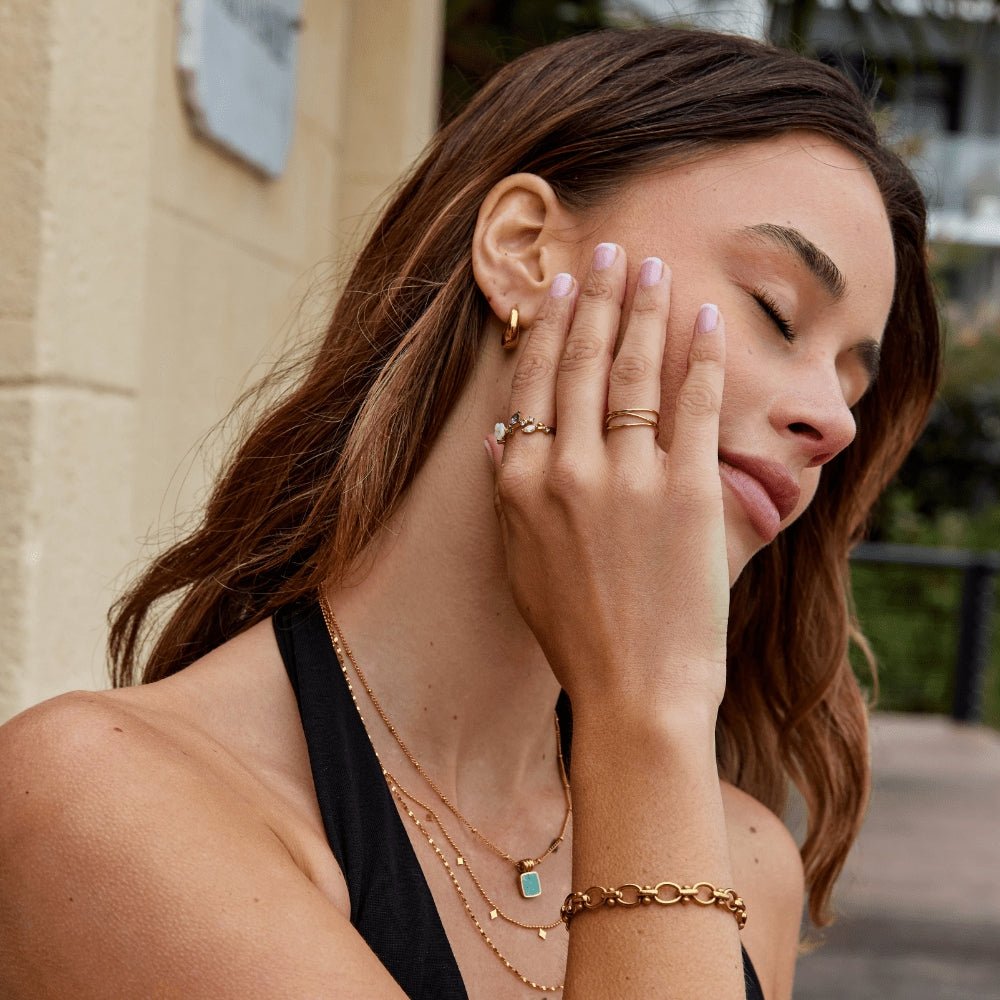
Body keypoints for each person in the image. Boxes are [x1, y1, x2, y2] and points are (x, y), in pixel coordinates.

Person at [0, 26, 940, 1000]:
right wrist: (646, 711)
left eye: (851, 384)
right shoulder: (106, 801)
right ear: (526, 250)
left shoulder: (744, 858)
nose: (830, 421)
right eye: (775, 309)